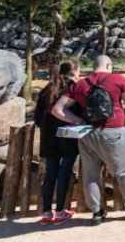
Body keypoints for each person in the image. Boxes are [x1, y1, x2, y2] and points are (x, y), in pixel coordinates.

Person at [52, 54, 125, 225]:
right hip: (114, 131)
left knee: (91, 174)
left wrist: (78, 121)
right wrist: (124, 116)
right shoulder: (119, 79)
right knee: (124, 170)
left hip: (88, 133)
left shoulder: (80, 84)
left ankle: (97, 213)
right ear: (109, 65)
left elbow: (57, 110)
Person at [36, 60, 81, 224]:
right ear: (74, 71)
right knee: (64, 173)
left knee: (50, 174)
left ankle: (47, 212)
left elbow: (37, 119)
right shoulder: (73, 89)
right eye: (79, 72)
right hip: (67, 137)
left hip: (48, 138)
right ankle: (61, 210)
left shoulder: (46, 89)